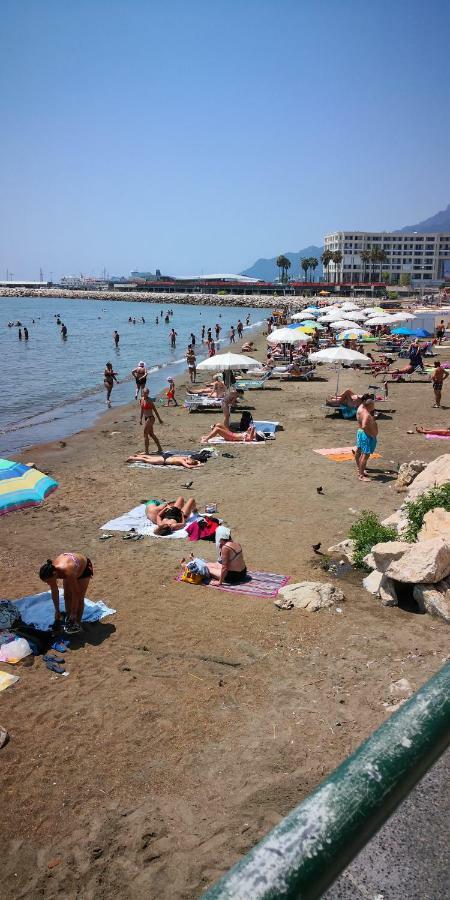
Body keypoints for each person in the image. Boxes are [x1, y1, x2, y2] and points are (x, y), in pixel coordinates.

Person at [39, 552, 93, 634]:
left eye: (49, 581)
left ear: (54, 574)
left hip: (84, 568)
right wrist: (57, 610)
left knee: (80, 598)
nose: (48, 583)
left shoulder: (68, 572)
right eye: (46, 582)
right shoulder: (51, 571)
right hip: (71, 565)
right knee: (67, 596)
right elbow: (54, 591)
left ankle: (77, 624)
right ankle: (70, 621)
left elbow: (76, 594)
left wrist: (74, 613)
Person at [354, 395, 378, 482]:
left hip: (360, 432)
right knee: (365, 455)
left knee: (359, 451)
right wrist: (371, 434)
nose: (374, 407)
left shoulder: (361, 408)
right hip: (365, 435)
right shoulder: (366, 414)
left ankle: (360, 470)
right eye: (373, 405)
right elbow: (364, 426)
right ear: (370, 405)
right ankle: (361, 475)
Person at [139, 388, 163, 453]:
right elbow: (142, 410)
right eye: (144, 393)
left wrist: (159, 419)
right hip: (146, 418)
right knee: (151, 434)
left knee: (145, 433)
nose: (146, 394)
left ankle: (146, 451)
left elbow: (155, 410)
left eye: (147, 393)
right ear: (142, 393)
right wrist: (140, 419)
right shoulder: (141, 399)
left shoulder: (150, 400)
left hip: (151, 418)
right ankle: (160, 448)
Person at [127, 453, 205, 468]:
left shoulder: (185, 457)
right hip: (162, 461)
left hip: (165, 457)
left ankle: (137, 455)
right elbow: (188, 466)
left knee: (149, 457)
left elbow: (192, 461)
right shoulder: (183, 461)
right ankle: (132, 458)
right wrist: (197, 465)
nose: (188, 462)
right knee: (146, 460)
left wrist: (198, 462)